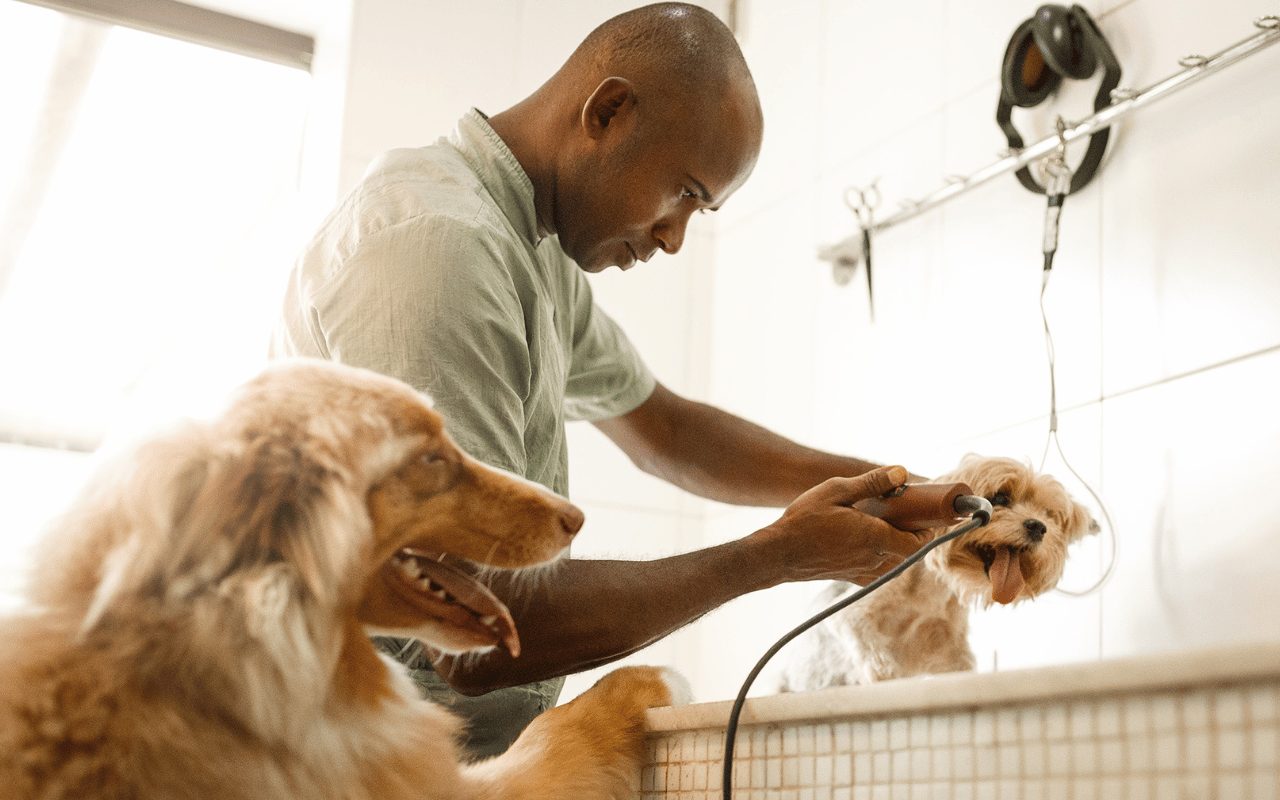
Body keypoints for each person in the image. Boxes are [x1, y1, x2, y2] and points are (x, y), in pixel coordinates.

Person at [271, 2, 923, 759]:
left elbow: (665, 431)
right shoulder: (439, 250)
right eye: (684, 192)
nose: (675, 238)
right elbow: (479, 629)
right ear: (608, 110)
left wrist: (893, 493)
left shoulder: (532, 248)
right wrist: (774, 557)